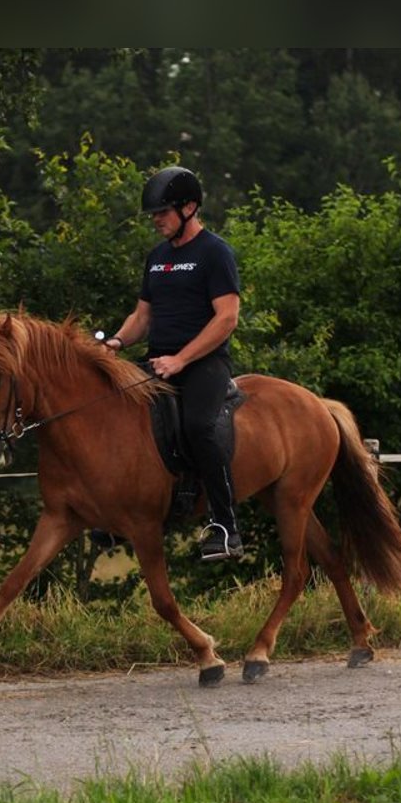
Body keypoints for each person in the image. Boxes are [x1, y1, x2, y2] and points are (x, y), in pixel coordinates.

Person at [104, 166, 244, 560]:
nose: (156, 219)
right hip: (158, 360)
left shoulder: (215, 252)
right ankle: (116, 515)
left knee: (199, 425)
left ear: (189, 207)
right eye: (154, 213)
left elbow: (226, 319)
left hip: (203, 363)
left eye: (162, 212)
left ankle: (225, 526)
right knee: (113, 413)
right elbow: (141, 318)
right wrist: (116, 340)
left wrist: (182, 359)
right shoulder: (157, 257)